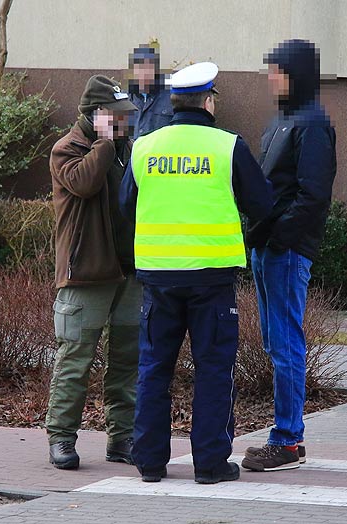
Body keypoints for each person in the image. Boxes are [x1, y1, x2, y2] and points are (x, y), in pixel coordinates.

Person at [119, 62, 273, 484]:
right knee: (213, 369)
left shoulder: (145, 146)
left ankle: (150, 463)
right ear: (208, 101)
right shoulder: (227, 146)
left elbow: (126, 205)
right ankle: (209, 464)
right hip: (212, 280)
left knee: (154, 370)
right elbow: (263, 205)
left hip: (158, 280)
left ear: (173, 103)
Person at [241, 40, 337, 472]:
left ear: (294, 73)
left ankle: (287, 440)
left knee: (285, 343)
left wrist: (279, 239)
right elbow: (269, 187)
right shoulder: (282, 120)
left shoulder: (313, 123)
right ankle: (287, 437)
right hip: (268, 247)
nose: (270, 78)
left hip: (286, 250)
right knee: (275, 341)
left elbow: (313, 195)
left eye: (275, 70)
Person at [46, 75, 141, 469]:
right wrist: (104, 141)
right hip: (86, 274)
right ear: (96, 115)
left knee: (127, 361)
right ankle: (62, 439)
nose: (125, 122)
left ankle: (122, 440)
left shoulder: (127, 151)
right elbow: (84, 184)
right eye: (117, 115)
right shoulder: (67, 149)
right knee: (75, 359)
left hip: (128, 274)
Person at [126, 43, 173, 139]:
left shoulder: (170, 97)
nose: (144, 73)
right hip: (132, 152)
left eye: (148, 68)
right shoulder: (126, 98)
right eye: (140, 68)